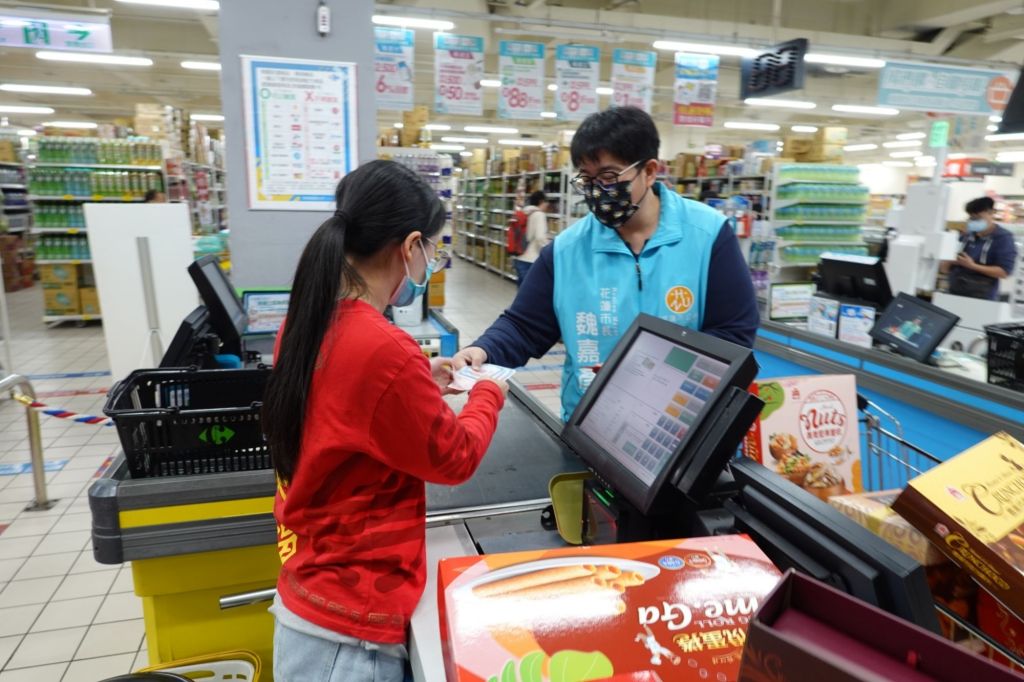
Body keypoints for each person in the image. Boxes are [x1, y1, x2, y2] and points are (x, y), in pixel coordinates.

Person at [261, 160, 508, 682]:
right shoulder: (382, 346)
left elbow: (347, 409)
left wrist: (419, 380)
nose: (429, 261)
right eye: (431, 249)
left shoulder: (308, 320)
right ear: (411, 245)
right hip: (350, 636)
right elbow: (455, 458)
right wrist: (488, 392)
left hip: (313, 594)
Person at [453, 106, 759, 422]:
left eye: (609, 177)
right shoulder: (565, 250)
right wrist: (484, 350)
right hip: (590, 422)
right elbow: (525, 326)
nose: (596, 190)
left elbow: (734, 332)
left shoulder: (708, 235)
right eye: (586, 179)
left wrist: (660, 386)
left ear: (650, 171)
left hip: (680, 422)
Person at [945, 196, 1018, 300]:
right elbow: (944, 268)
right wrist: (951, 260)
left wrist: (972, 266)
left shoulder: (1003, 238)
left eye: (978, 218)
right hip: (954, 292)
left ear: (991, 213)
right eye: (971, 218)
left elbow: (1004, 272)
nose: (974, 222)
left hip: (982, 298)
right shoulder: (966, 236)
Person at [513, 190, 551, 285]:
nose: (548, 204)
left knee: (522, 291)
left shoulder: (524, 212)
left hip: (519, 257)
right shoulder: (540, 215)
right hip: (531, 260)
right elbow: (540, 237)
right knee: (532, 292)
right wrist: (550, 251)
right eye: (547, 201)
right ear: (541, 201)